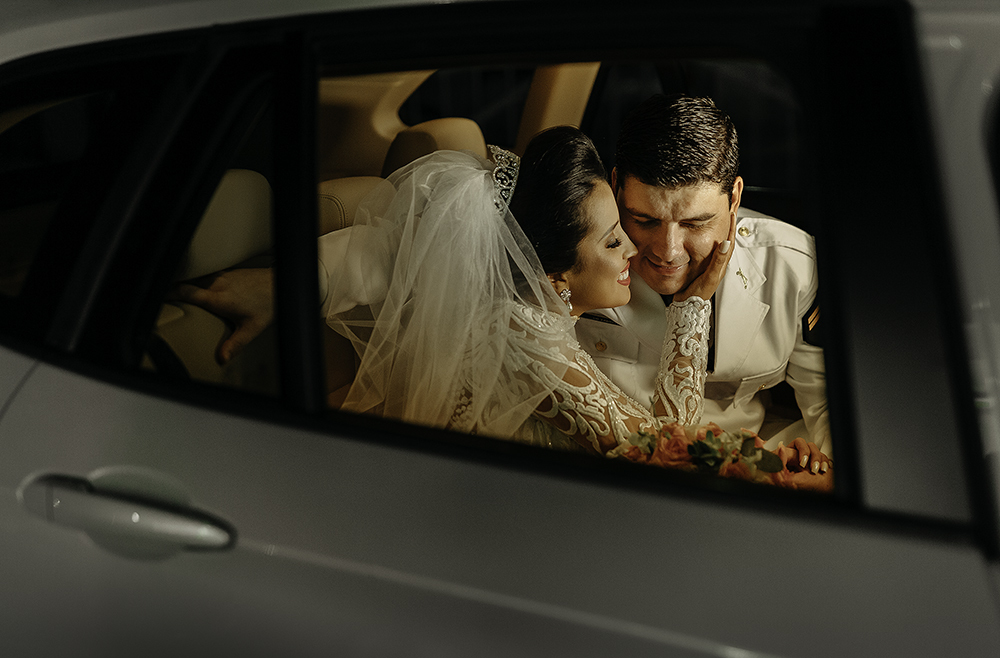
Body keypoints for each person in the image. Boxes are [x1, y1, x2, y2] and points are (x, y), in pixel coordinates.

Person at [174, 127, 830, 488]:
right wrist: (284, 284)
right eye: (626, 230)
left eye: (694, 222)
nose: (652, 247)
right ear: (554, 275)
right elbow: (663, 449)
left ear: (734, 198)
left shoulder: (531, 301)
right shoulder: (529, 328)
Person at [574, 95, 832, 472]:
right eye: (645, 220)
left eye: (695, 224)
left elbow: (828, 404)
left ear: (735, 198)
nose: (668, 252)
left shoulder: (793, 267)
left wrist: (828, 476)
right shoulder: (575, 261)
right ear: (616, 187)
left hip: (759, 456)